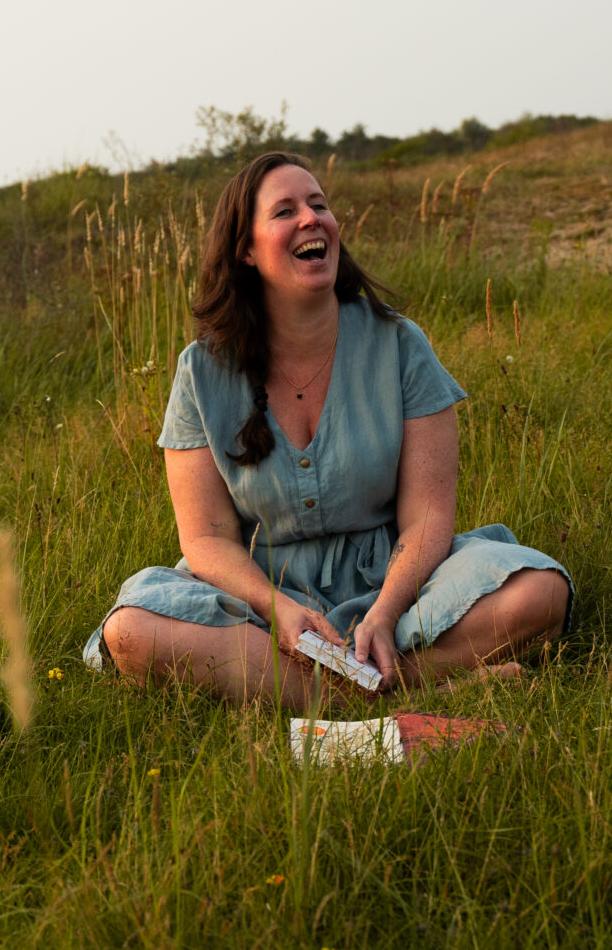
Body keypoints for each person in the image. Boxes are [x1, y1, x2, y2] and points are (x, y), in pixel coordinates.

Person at [83, 152, 572, 707]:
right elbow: (205, 541)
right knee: (132, 632)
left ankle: (348, 683)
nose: (312, 219)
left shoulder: (398, 344)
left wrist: (386, 615)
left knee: (540, 593)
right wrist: (277, 607)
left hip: (394, 582)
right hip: (261, 602)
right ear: (245, 250)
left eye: (319, 205)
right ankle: (400, 686)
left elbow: (429, 516)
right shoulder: (201, 371)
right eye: (285, 211)